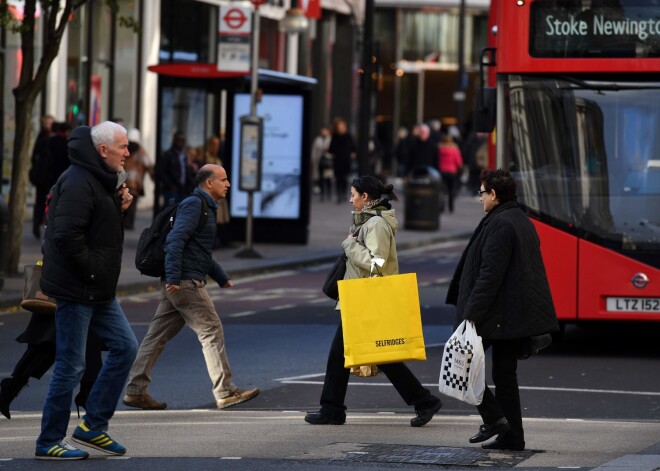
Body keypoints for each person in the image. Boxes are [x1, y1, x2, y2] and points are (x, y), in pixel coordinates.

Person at [35, 121, 139, 460]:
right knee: (71, 365)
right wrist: (92, 271)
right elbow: (66, 236)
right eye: (123, 146)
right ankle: (48, 440)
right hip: (78, 287)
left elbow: (96, 229)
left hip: (96, 289)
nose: (128, 152)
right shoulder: (79, 180)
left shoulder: (99, 179)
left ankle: (93, 427)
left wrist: (118, 208)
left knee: (125, 347)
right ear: (103, 150)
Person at [304, 175, 443, 427]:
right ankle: (423, 400)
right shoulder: (369, 222)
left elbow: (376, 265)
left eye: (353, 195)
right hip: (359, 298)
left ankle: (333, 409)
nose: (350, 199)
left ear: (365, 198)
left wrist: (349, 244)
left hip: (366, 299)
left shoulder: (376, 225)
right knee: (367, 356)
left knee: (343, 355)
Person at [123, 164, 259, 411]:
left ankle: (135, 390)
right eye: (224, 180)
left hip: (178, 280)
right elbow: (175, 240)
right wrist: (174, 278)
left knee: (156, 336)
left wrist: (220, 276)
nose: (228, 184)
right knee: (211, 331)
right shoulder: (195, 205)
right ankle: (225, 391)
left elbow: (199, 251)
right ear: (209, 183)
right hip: (185, 282)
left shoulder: (204, 207)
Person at [446, 169, 559, 452]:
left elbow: (489, 276)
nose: (480, 198)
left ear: (494, 194)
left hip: (496, 314)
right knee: (505, 375)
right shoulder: (518, 219)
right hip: (511, 313)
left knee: (462, 366)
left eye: (482, 193)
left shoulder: (502, 224)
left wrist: (471, 315)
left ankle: (495, 419)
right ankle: (513, 437)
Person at [0, 311, 104, 420]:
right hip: (62, 298)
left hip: (81, 300)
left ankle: (88, 394)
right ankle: (11, 387)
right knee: (47, 343)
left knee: (89, 339)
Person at [29, 114, 55, 240]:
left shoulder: (51, 138)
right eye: (47, 123)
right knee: (41, 201)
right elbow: (35, 157)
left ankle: (42, 223)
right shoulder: (43, 138)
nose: (48, 125)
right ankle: (37, 222)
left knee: (47, 201)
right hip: (43, 177)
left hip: (48, 176)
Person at [123, 128, 154, 230]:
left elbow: (148, 165)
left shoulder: (127, 149)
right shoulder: (140, 151)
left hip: (127, 182)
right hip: (134, 184)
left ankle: (127, 223)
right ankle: (128, 223)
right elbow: (148, 165)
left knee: (127, 204)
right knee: (131, 205)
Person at [157, 131, 193, 204]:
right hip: (172, 190)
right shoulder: (168, 155)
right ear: (174, 141)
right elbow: (160, 171)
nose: (180, 143)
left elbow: (187, 172)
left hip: (183, 190)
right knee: (171, 211)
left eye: (182, 141)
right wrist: (170, 184)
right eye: (178, 140)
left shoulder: (184, 155)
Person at [328, 118, 356, 204]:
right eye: (339, 127)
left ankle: (344, 193)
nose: (341, 128)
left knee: (344, 178)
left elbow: (353, 147)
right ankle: (339, 194)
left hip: (346, 160)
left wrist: (353, 153)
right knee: (338, 178)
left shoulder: (348, 136)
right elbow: (331, 149)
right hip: (337, 160)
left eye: (342, 126)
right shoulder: (335, 137)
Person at [438, 133, 463, 213]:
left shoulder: (439, 149)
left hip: (442, 171)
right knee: (451, 190)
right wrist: (460, 168)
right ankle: (451, 207)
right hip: (452, 172)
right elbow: (458, 161)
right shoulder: (454, 149)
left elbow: (437, 159)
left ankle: (441, 206)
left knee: (442, 190)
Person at [311, 126, 333, 201]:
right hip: (319, 161)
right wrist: (313, 159)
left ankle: (329, 193)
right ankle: (322, 194)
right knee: (320, 178)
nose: (323, 132)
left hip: (328, 161)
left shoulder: (331, 139)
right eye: (322, 130)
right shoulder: (318, 139)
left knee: (328, 178)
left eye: (325, 130)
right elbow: (314, 150)